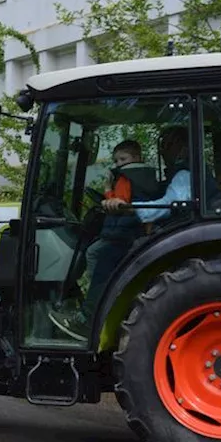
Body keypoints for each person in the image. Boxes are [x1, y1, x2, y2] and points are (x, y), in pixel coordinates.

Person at [50, 139, 146, 340]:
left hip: (122, 234)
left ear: (136, 158)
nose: (119, 163)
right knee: (93, 252)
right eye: (117, 160)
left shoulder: (126, 177)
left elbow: (119, 202)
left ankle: (88, 317)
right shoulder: (142, 176)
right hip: (128, 230)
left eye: (123, 158)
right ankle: (95, 296)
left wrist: (107, 191)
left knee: (101, 262)